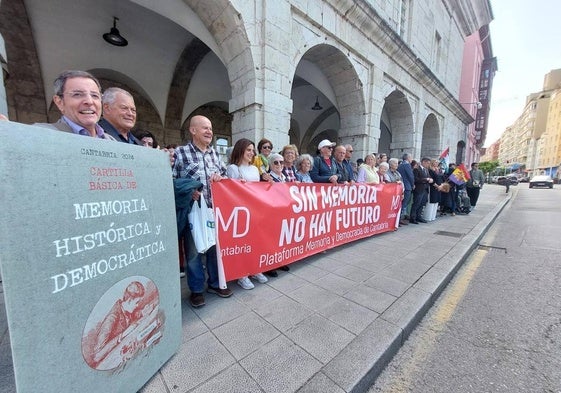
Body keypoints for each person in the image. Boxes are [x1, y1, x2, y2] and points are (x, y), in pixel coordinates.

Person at [172, 115, 233, 308]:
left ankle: (215, 284)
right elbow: (172, 181)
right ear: (193, 130)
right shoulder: (181, 153)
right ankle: (196, 290)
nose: (209, 132)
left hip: (214, 211)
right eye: (205, 128)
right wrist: (187, 192)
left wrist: (220, 178)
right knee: (193, 252)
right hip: (192, 212)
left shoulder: (215, 154)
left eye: (210, 128)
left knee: (215, 249)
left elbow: (225, 174)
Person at [226, 138, 269, 289]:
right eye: (248, 150)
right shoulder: (232, 168)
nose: (251, 153)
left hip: (254, 209)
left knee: (255, 241)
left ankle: (255, 268)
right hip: (240, 211)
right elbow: (229, 192)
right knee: (242, 243)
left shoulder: (254, 169)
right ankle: (242, 274)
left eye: (252, 150)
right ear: (240, 150)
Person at [34, 70, 114, 140]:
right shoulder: (39, 135)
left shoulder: (112, 142)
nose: (89, 101)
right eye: (77, 94)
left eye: (94, 95)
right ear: (59, 102)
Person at [91, 281, 145, 367]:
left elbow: (130, 316)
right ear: (130, 300)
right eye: (137, 302)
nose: (138, 305)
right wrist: (123, 335)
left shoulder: (126, 309)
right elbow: (96, 356)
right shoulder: (111, 318)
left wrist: (141, 312)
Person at [410, 157, 433, 224]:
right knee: (416, 203)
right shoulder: (417, 169)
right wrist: (426, 179)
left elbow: (429, 177)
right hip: (419, 189)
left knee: (422, 204)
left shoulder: (426, 170)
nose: (428, 165)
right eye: (427, 163)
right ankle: (413, 217)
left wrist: (430, 179)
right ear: (423, 162)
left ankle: (419, 216)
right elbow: (416, 179)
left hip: (425, 189)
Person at [397, 153, 414, 225]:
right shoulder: (407, 165)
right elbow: (410, 176)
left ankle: (398, 219)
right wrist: (413, 184)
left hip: (402, 186)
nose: (412, 159)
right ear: (408, 158)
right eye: (411, 158)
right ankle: (400, 219)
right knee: (404, 204)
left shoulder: (400, 165)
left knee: (401, 203)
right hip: (407, 186)